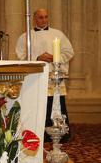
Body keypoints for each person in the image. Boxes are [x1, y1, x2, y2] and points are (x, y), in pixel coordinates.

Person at [15, 8, 74, 141]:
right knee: (38, 104)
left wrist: (54, 57)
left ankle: (60, 133)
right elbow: (20, 55)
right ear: (34, 19)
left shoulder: (58, 34)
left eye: (46, 17)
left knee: (55, 103)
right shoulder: (26, 36)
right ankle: (37, 134)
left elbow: (69, 52)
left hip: (54, 78)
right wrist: (37, 58)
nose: (44, 20)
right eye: (41, 17)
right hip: (36, 77)